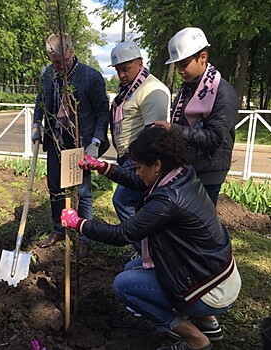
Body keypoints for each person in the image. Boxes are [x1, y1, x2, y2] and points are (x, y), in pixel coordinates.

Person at [61, 127, 241, 350]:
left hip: (209, 288)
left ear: (156, 165)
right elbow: (140, 182)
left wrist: (79, 223)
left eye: (139, 167)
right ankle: (207, 322)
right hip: (215, 272)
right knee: (131, 268)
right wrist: (102, 167)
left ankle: (195, 338)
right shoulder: (181, 174)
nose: (136, 172)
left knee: (124, 286)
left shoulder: (167, 201)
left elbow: (122, 234)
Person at [32, 33, 110, 259]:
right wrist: (37, 124)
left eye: (60, 61)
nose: (57, 67)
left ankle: (84, 238)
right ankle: (58, 229)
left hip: (80, 143)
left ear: (70, 52)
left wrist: (95, 142)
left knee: (83, 192)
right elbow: (40, 101)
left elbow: (103, 112)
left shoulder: (91, 77)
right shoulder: (47, 74)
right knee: (55, 187)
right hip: (55, 140)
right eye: (53, 62)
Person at [154, 27, 238, 206]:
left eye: (184, 64)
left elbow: (214, 137)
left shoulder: (223, 92)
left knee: (201, 227)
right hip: (187, 166)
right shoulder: (187, 88)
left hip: (208, 172)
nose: (180, 71)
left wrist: (173, 130)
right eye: (177, 66)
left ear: (203, 57)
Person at [109, 41, 170, 255]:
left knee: (122, 201)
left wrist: (142, 164)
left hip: (139, 159)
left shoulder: (152, 90)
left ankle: (148, 252)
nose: (122, 75)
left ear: (140, 63)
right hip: (128, 157)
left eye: (126, 69)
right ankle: (144, 249)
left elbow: (155, 135)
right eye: (118, 71)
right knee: (137, 206)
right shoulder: (130, 90)